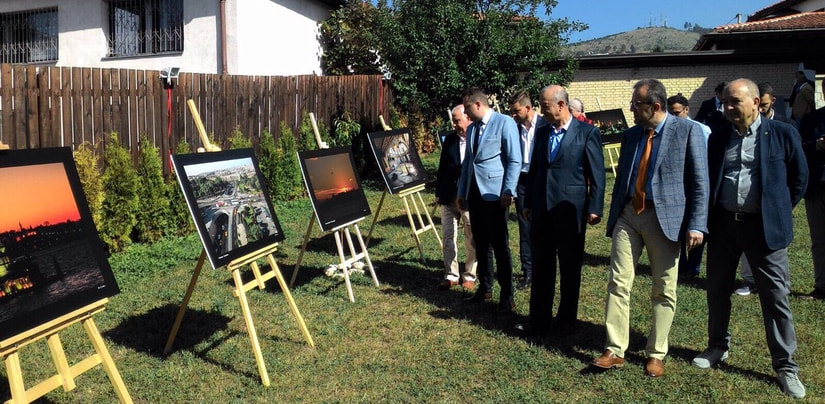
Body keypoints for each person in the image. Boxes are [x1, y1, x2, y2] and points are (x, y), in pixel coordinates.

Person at [693, 79, 807, 399]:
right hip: (725, 226)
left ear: (756, 102)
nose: (728, 108)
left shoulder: (782, 134)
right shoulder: (718, 137)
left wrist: (776, 210)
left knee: (775, 298)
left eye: (735, 103)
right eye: (725, 103)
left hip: (763, 229)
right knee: (717, 290)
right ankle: (717, 346)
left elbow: (799, 179)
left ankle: (786, 366)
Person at [591, 79, 708, 378]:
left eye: (636, 105)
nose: (630, 110)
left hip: (665, 220)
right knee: (618, 282)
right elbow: (622, 178)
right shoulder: (632, 135)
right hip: (629, 216)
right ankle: (614, 349)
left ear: (655, 106)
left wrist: (696, 224)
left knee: (664, 288)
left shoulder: (688, 131)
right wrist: (616, 214)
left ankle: (656, 353)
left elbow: (700, 182)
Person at [515, 85, 605, 337]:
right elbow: (534, 169)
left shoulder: (587, 133)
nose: (541, 112)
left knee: (569, 268)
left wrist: (595, 207)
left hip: (570, 212)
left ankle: (566, 320)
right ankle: (538, 320)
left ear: (561, 105)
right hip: (542, 210)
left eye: (545, 107)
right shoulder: (543, 132)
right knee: (542, 266)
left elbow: (597, 174)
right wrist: (529, 203)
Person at [457, 87, 521, 313]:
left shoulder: (504, 123)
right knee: (481, 243)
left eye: (466, 109)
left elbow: (514, 159)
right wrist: (462, 192)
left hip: (496, 195)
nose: (464, 114)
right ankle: (484, 288)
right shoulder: (473, 129)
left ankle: (507, 295)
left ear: (477, 105)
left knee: (500, 245)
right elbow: (468, 163)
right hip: (475, 194)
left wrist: (509, 189)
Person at [734, 81, 796, 296]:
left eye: (765, 105)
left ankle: (777, 287)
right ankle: (750, 280)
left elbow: (798, 174)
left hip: (772, 207)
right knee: (746, 247)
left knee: (773, 252)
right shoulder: (732, 132)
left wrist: (782, 202)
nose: (761, 110)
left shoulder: (784, 127)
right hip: (742, 210)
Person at [666, 94, 710, 282]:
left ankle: (693, 266)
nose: (674, 117)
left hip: (695, 185)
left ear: (686, 109)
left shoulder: (701, 130)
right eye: (671, 113)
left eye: (677, 113)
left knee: (696, 226)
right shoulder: (667, 130)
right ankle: (681, 264)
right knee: (679, 228)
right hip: (677, 187)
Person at [434, 105, 479, 291]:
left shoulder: (477, 138)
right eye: (453, 120)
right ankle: (451, 274)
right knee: (448, 236)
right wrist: (438, 192)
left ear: (468, 119)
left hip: (468, 197)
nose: (454, 124)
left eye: (457, 120)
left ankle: (469, 274)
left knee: (471, 237)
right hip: (448, 196)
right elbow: (442, 166)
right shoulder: (450, 140)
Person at [508, 90, 547, 291]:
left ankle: (544, 268)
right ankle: (528, 271)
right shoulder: (514, 128)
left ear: (528, 108)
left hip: (541, 180)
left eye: (516, 111)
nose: (514, 115)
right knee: (525, 227)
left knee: (543, 227)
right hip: (522, 180)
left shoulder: (545, 126)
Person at [798, 77, 825, 301]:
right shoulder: (812, 120)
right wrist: (816, 145)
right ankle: (822, 285)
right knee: (819, 239)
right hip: (817, 188)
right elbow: (799, 149)